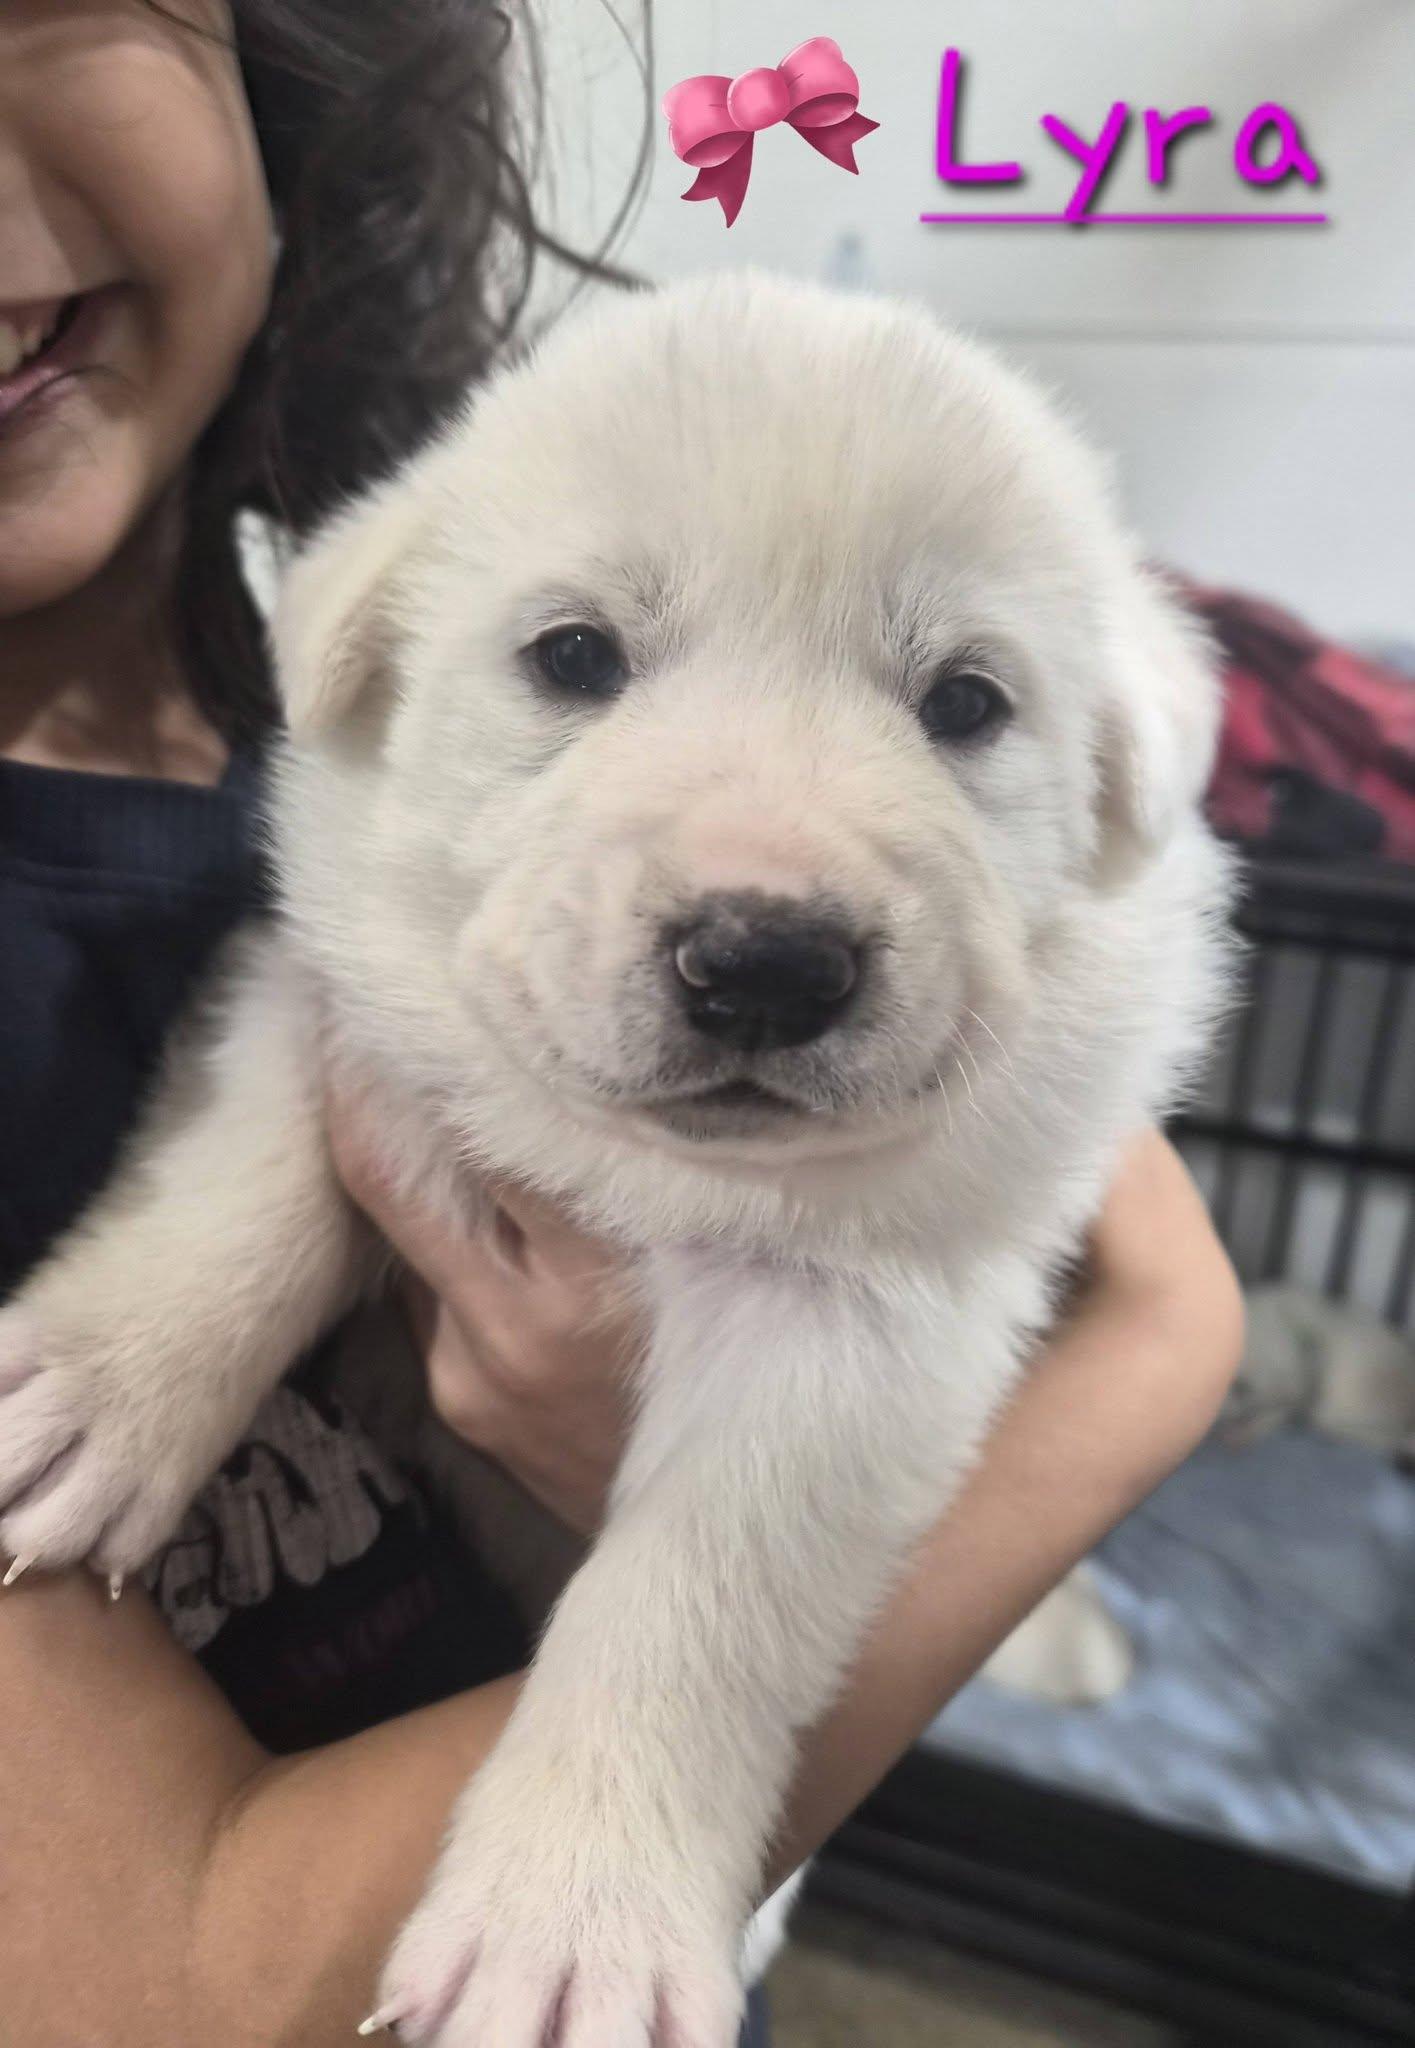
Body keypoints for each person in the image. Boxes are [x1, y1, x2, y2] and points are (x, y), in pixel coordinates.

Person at [0, 4, 1245, 2042]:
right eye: (582, 655)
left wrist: (652, 1772)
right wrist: (1157, 1356)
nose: (766, 904)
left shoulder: (261, 741)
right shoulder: (356, 793)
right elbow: (326, 1048)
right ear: (381, 646)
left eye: (959, 701)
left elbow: (899, 1302)